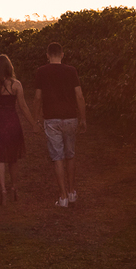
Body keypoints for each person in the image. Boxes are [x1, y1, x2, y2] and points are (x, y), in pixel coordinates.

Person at [0, 54, 38, 205]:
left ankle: (3, 190)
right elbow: (23, 107)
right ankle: (14, 188)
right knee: (12, 158)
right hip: (12, 123)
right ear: (9, 67)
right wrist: (33, 124)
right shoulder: (16, 84)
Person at [33, 42, 86, 208]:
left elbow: (37, 97)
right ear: (62, 54)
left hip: (51, 119)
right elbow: (79, 96)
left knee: (57, 157)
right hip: (70, 117)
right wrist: (83, 118)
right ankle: (72, 192)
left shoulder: (41, 72)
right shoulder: (71, 71)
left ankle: (62, 197)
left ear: (47, 55)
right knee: (70, 155)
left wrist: (36, 119)